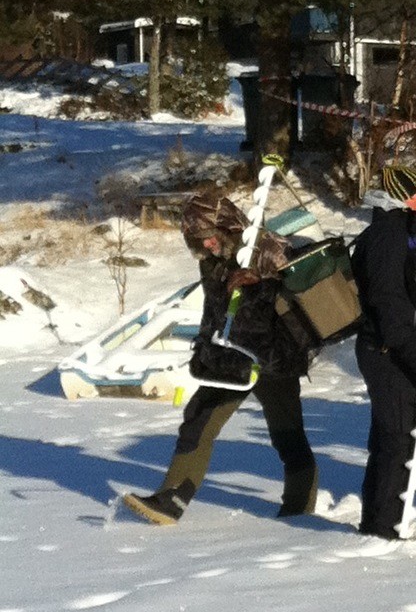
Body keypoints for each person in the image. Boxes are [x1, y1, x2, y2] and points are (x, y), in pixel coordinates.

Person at [123, 187, 314, 526]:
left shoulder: (267, 246)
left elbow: (297, 296)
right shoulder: (211, 260)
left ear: (225, 225)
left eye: (210, 236)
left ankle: (300, 508)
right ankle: (171, 500)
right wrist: (205, 349)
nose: (207, 245)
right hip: (230, 358)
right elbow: (214, 310)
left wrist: (258, 282)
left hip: (273, 359)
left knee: (286, 434)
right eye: (198, 240)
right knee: (197, 421)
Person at [351, 164, 416, 540]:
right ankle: (382, 528)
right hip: (388, 351)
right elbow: (389, 305)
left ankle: (380, 520)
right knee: (395, 441)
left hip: (397, 350)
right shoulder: (388, 235)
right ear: (408, 197)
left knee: (393, 437)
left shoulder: (401, 232)